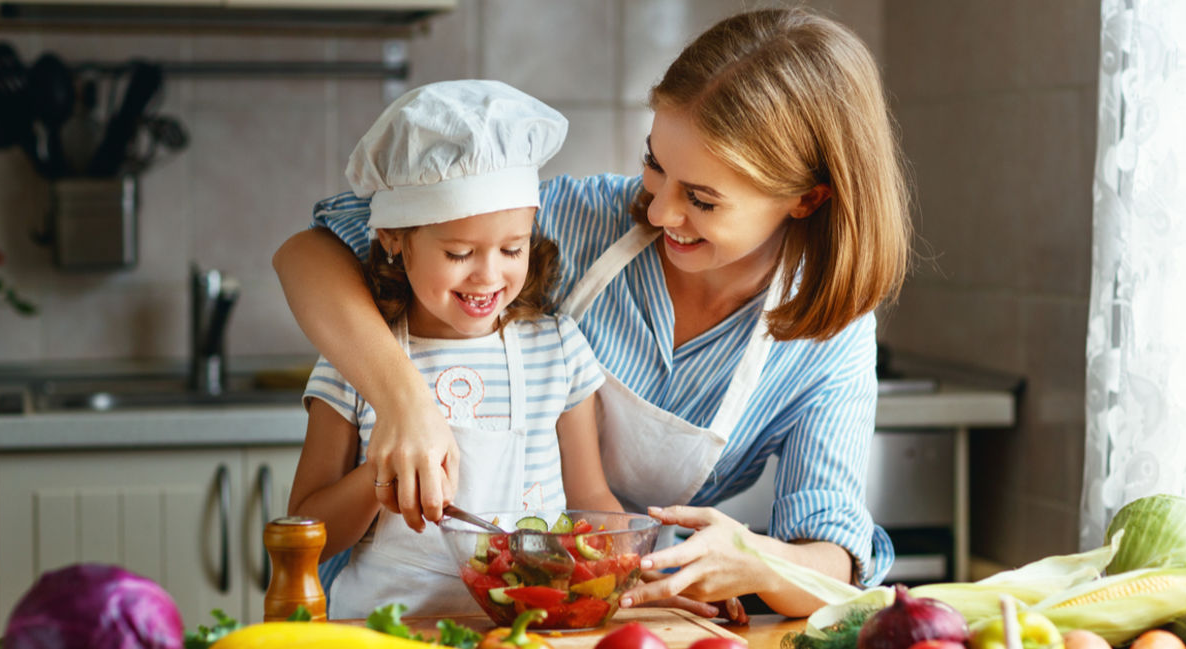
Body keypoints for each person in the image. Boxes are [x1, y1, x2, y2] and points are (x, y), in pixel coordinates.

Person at [275, 7, 911, 618]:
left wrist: (757, 562)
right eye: (655, 166)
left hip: (599, 605)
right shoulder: (579, 220)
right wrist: (405, 403)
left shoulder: (829, 335)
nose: (659, 212)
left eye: (702, 199)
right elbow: (311, 251)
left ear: (805, 199)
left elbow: (833, 554)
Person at [285, 79, 623, 619]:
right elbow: (310, 533)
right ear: (396, 238)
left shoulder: (556, 351)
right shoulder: (356, 361)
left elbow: (593, 502)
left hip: (523, 631)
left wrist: (629, 568)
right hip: (382, 631)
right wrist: (381, 480)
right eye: (459, 252)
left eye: (513, 248)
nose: (489, 275)